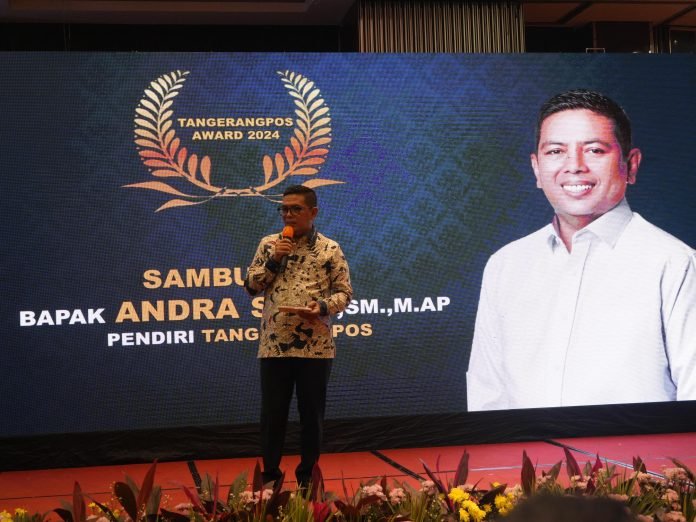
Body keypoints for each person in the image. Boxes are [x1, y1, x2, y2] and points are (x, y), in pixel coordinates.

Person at [467, 89, 696, 411]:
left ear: (631, 165)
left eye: (594, 150)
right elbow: (487, 397)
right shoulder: (506, 265)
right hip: (526, 447)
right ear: (536, 168)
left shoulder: (675, 264)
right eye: (556, 151)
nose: (574, 166)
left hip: (638, 447)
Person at [245, 185, 352, 487]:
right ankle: (270, 481)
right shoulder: (269, 244)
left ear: (313, 212)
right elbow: (251, 286)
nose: (288, 215)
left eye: (296, 209)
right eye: (284, 209)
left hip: (315, 348)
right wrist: (274, 260)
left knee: (311, 418)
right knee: (272, 417)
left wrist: (321, 307)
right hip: (274, 346)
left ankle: (308, 481)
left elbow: (344, 293)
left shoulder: (330, 248)